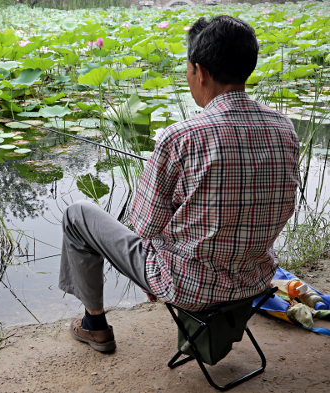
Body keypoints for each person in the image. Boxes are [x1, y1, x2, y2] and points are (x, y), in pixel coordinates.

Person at [58, 15, 300, 352]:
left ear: (199, 72)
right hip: (255, 282)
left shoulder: (181, 136)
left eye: (188, 70)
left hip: (189, 287)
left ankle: (93, 324)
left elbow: (143, 227)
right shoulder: (285, 129)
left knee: (77, 215)